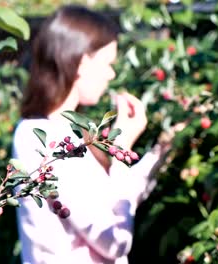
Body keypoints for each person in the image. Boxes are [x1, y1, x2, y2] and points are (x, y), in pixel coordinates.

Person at [12, 5, 181, 264]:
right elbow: (114, 241)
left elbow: (112, 205)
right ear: (81, 61)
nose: (111, 74)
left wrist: (162, 150)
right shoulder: (50, 141)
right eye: (108, 63)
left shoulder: (49, 132)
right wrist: (121, 145)